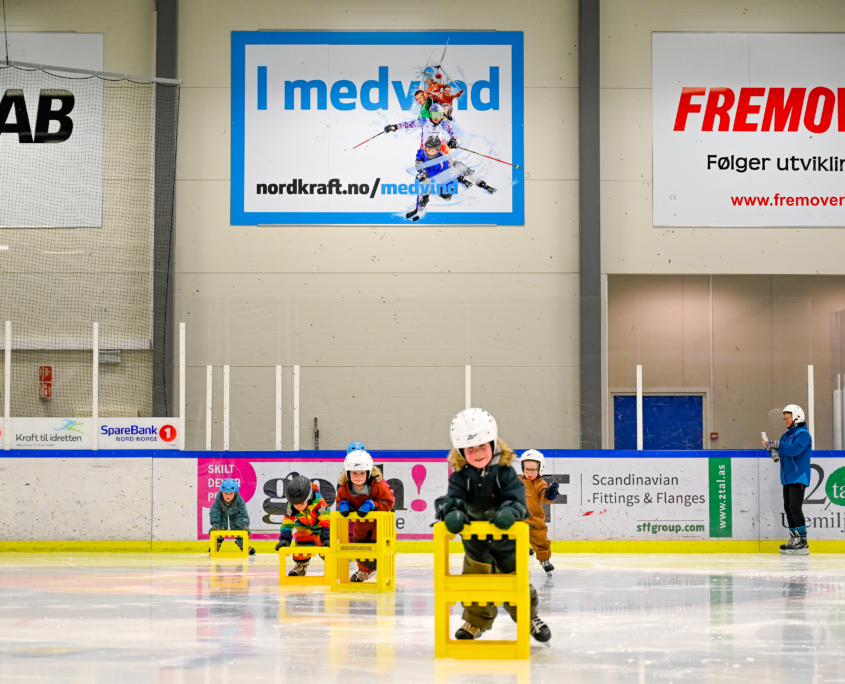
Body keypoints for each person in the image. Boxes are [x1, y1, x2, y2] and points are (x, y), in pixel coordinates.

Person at [435, 408, 552, 643]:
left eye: (482, 446)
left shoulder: (506, 473)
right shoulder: (460, 477)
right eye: (471, 449)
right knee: (474, 583)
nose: (477, 453)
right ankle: (476, 621)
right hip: (476, 545)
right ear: (461, 451)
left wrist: (510, 511)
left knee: (515, 581)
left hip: (508, 544)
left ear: (493, 444)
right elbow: (450, 499)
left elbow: (519, 501)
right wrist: (450, 511)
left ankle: (528, 617)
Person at [335, 449, 396, 582]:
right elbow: (339, 500)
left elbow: (389, 503)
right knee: (360, 543)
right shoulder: (344, 489)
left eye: (362, 473)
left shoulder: (378, 487)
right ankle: (364, 570)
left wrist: (373, 505)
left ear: (368, 473)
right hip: (361, 523)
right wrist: (343, 505)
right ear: (347, 473)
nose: (358, 477)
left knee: (377, 542)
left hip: (379, 524)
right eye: (354, 473)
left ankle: (379, 566)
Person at [763, 404, 812, 555]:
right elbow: (782, 451)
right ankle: (794, 538)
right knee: (788, 508)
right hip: (787, 477)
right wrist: (771, 449)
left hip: (798, 476)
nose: (785, 420)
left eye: (788, 418)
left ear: (797, 417)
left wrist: (777, 445)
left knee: (795, 508)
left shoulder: (803, 435)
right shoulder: (785, 436)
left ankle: (802, 541)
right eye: (784, 418)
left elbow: (795, 449)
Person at [274, 475, 331, 575]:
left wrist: (326, 538)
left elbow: (326, 521)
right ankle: (301, 566)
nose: (298, 507)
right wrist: (285, 538)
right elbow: (288, 522)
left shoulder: (319, 504)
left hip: (321, 527)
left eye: (301, 504)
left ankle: (333, 564)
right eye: (295, 504)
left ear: (308, 498)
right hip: (304, 525)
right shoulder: (291, 506)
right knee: (301, 540)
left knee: (326, 548)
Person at [517, 449, 560, 573]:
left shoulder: (540, 484)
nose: (529, 473)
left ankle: (544, 560)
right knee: (511, 537)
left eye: (533, 470)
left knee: (540, 539)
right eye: (527, 469)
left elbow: (545, 496)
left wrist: (551, 493)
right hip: (518, 518)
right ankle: (524, 548)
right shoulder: (518, 482)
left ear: (540, 469)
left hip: (534, 518)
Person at [209, 478, 255, 555]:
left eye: (231, 494)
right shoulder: (218, 499)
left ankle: (242, 545)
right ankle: (217, 543)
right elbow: (214, 511)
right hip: (222, 512)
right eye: (226, 493)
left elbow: (243, 514)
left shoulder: (239, 501)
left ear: (235, 493)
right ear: (222, 492)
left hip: (235, 512)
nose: (228, 496)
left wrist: (245, 525)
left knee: (238, 526)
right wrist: (214, 525)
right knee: (221, 526)